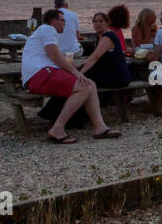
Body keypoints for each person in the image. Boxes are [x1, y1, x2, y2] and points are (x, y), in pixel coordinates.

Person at [22, 9, 120, 143]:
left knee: (90, 84)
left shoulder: (45, 33)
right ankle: (58, 128)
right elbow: (55, 56)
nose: (64, 24)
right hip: (40, 74)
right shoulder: (47, 29)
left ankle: (100, 127)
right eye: (62, 20)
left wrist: (71, 67)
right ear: (54, 21)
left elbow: (55, 56)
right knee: (84, 87)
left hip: (43, 73)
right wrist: (76, 72)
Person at [80, 5, 132, 90]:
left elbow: (95, 57)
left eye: (101, 21)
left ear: (107, 23)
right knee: (79, 74)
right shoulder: (99, 36)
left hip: (116, 77)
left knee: (82, 80)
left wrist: (81, 72)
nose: (98, 24)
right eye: (95, 21)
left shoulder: (109, 36)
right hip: (109, 74)